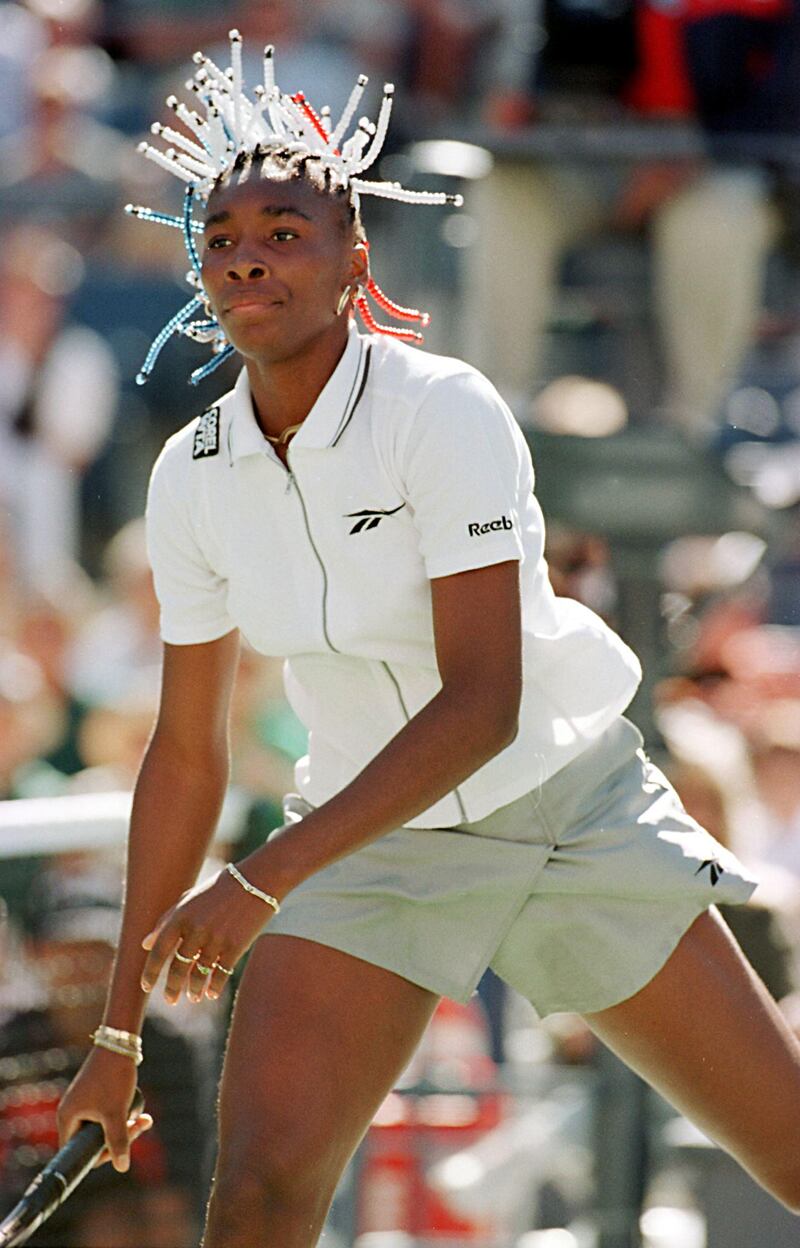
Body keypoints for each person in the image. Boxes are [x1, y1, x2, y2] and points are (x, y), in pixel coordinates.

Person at [56, 34, 800, 1248]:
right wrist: (116, 1034)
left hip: (567, 814)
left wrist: (256, 880)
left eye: (284, 232)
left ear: (356, 259)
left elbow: (483, 704)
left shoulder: (445, 407)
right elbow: (183, 757)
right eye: (223, 238)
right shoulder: (189, 476)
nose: (247, 256)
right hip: (364, 849)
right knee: (253, 1201)